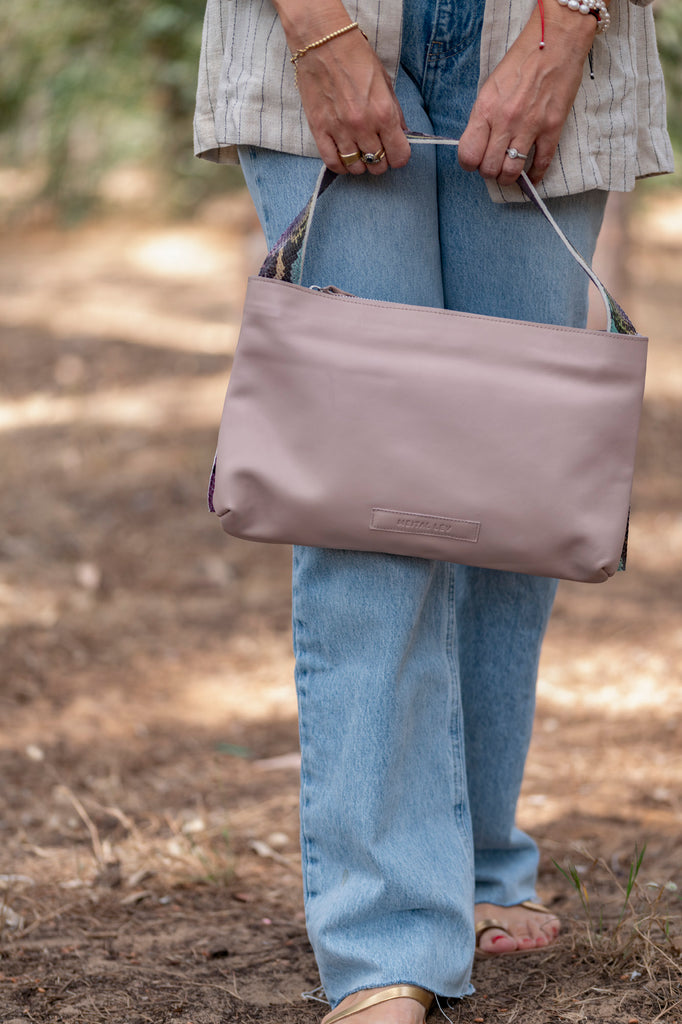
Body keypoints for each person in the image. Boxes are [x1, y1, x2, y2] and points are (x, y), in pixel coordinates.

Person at [194, 0, 672, 1021]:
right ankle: (385, 942)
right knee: (370, 501)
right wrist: (317, 27)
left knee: (506, 498)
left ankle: (476, 860)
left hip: (544, 21)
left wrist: (566, 27)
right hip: (315, 21)